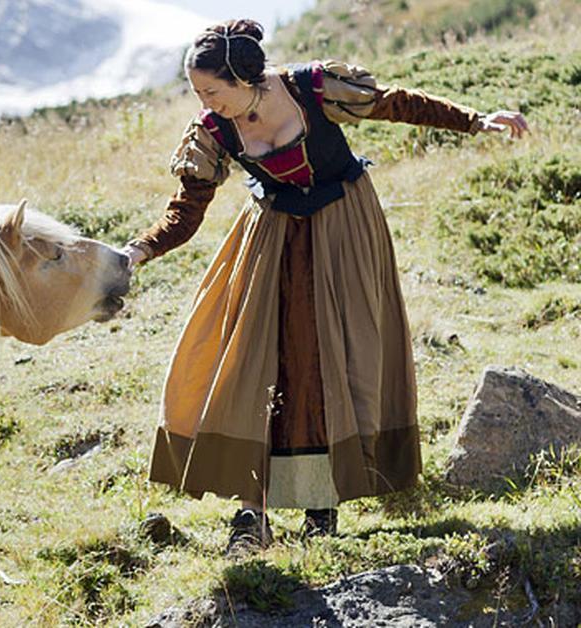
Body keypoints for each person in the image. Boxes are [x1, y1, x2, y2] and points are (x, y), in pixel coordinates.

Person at [122, 19, 528, 552]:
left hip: (344, 228)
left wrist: (477, 122)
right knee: (256, 359)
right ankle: (252, 512)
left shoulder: (313, 88)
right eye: (197, 92)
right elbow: (187, 209)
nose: (204, 102)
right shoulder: (212, 131)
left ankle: (322, 504)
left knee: (333, 359)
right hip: (273, 237)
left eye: (211, 90)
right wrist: (139, 250)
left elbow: (397, 105)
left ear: (246, 78)